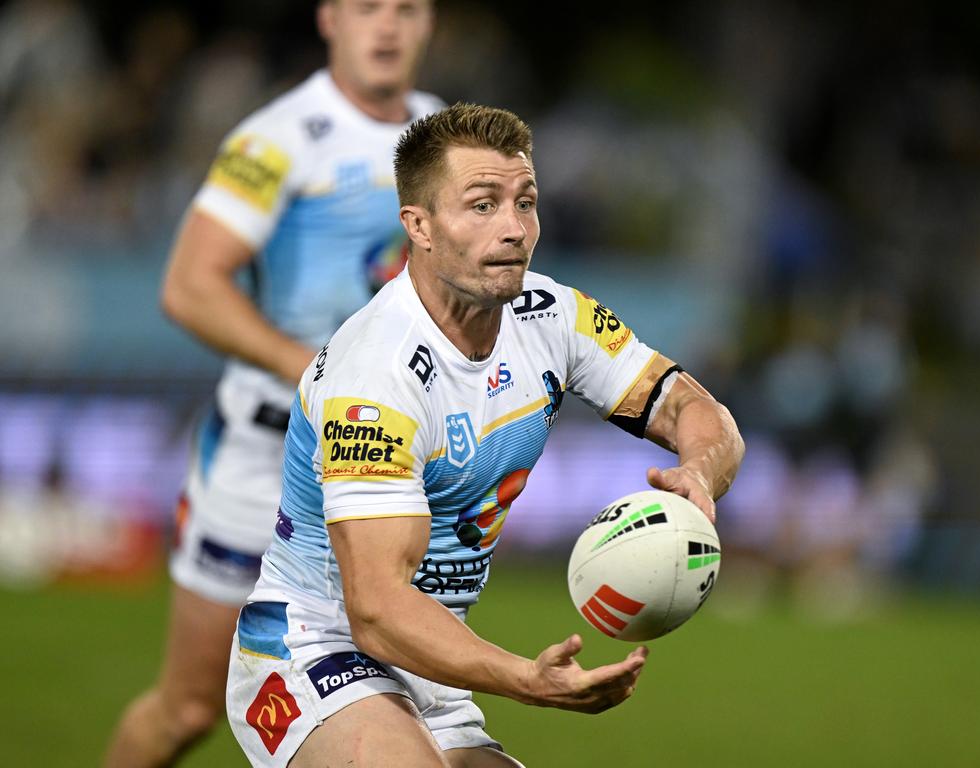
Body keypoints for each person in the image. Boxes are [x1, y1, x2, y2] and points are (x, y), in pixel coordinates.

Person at [225, 103, 745, 767]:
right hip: (311, 649)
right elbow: (377, 607)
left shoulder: (555, 318)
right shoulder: (377, 375)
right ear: (419, 226)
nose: (513, 229)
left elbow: (693, 408)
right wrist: (526, 679)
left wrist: (700, 470)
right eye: (482, 205)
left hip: (430, 664)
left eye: (524, 202)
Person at [105, 2, 441, 765]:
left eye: (407, 9)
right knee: (188, 707)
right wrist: (320, 373)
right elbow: (191, 285)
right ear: (328, 18)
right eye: (366, 8)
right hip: (264, 456)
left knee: (400, 714)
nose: (385, 27)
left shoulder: (442, 134)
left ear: (431, 23)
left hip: (382, 465)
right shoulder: (278, 138)